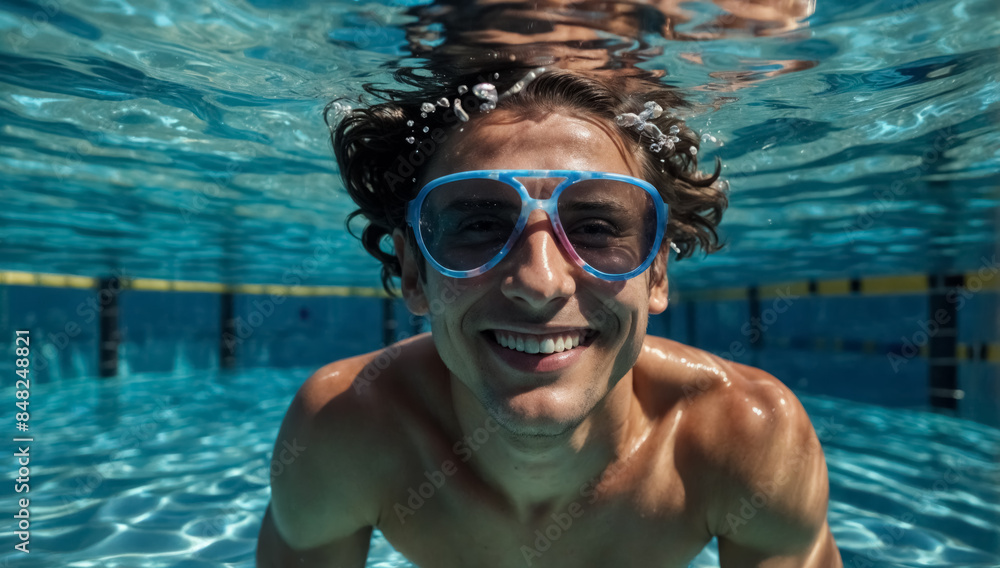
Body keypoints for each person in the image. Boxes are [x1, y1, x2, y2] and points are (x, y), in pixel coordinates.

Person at [256, 67, 842, 567]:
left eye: (594, 228)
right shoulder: (343, 431)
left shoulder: (747, 435)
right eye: (481, 225)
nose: (538, 283)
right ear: (414, 274)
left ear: (657, 272)